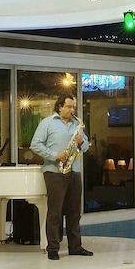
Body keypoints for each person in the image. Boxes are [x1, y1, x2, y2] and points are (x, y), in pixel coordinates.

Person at [29, 94, 92, 260]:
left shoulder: (77, 124)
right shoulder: (47, 123)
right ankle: (53, 248)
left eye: (74, 107)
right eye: (69, 107)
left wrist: (81, 142)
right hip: (54, 172)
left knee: (74, 212)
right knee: (55, 212)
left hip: (74, 171)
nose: (72, 110)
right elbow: (35, 144)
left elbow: (86, 147)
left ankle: (75, 247)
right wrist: (54, 155)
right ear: (60, 107)